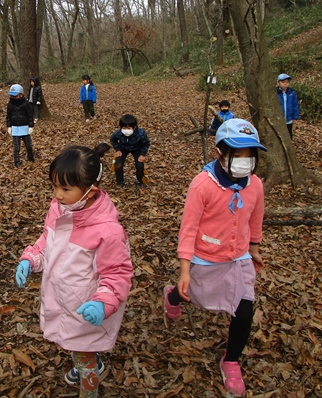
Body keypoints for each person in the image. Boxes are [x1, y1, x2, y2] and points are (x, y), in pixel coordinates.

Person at [15, 144, 133, 397]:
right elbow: (47, 242)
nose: (57, 194)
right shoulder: (60, 209)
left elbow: (117, 273)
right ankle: (87, 360)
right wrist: (30, 259)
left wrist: (103, 303)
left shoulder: (107, 231)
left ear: (91, 191)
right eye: (55, 186)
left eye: (65, 189)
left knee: (83, 353)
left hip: (86, 306)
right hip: (62, 299)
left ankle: (89, 388)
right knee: (76, 343)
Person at [163, 119, 267, 397]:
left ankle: (231, 360)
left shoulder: (255, 184)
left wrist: (254, 249)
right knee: (189, 294)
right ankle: (172, 297)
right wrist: (185, 269)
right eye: (238, 153)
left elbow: (255, 219)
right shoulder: (202, 185)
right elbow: (188, 229)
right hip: (205, 257)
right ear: (218, 152)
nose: (245, 161)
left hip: (239, 258)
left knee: (245, 311)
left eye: (250, 155)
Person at [109, 114, 151, 188]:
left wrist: (142, 154)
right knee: (118, 164)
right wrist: (118, 149)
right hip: (123, 148)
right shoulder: (118, 133)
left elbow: (146, 144)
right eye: (124, 128)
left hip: (137, 148)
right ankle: (120, 181)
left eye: (129, 128)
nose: (126, 130)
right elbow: (113, 140)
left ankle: (139, 181)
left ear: (134, 127)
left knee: (139, 165)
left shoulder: (141, 133)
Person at [6, 84, 35, 168]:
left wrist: (31, 126)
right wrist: (9, 126)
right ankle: (17, 161)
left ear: (21, 94)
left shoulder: (26, 104)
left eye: (15, 95)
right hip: (15, 128)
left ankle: (30, 157)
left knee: (28, 145)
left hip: (25, 127)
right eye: (12, 95)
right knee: (16, 147)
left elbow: (30, 116)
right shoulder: (10, 104)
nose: (13, 97)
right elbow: (8, 117)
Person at [276, 74, 300, 139]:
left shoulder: (291, 92)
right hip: (279, 118)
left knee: (289, 133)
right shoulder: (275, 93)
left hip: (288, 118)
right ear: (278, 83)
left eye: (287, 82)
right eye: (283, 82)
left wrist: (295, 117)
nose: (285, 84)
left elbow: (295, 105)